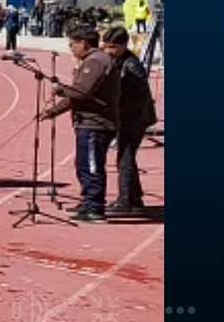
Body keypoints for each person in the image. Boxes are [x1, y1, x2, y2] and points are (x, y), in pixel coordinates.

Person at [39, 25, 121, 222]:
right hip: (88, 122)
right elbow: (77, 95)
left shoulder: (96, 62)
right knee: (82, 164)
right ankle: (88, 203)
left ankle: (95, 207)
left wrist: (60, 89)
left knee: (92, 166)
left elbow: (81, 92)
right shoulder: (91, 61)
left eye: (72, 44)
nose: (70, 48)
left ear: (83, 43)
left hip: (96, 124)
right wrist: (53, 111)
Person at [102, 27, 156, 215]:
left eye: (113, 47)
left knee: (124, 158)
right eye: (106, 46)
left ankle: (125, 200)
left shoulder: (131, 66)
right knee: (127, 157)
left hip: (135, 119)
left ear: (124, 45)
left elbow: (139, 96)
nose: (108, 51)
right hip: (127, 117)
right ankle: (135, 197)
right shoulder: (119, 61)